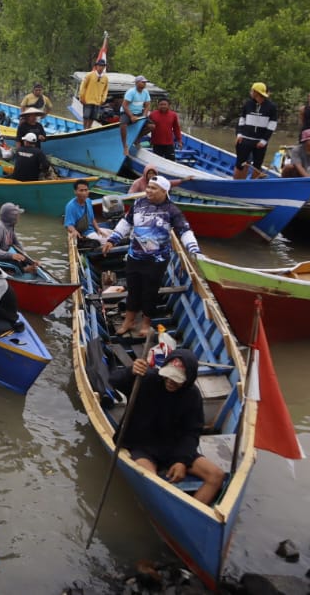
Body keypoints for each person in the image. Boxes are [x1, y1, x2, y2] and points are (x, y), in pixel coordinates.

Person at [110, 348, 225, 505]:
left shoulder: (192, 395)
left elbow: (192, 432)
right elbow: (113, 380)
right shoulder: (147, 379)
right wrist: (131, 371)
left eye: (177, 379)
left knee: (216, 475)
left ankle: (192, 516)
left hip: (174, 446)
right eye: (168, 376)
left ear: (187, 380)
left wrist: (181, 461)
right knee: (151, 481)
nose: (170, 381)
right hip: (143, 444)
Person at [102, 177, 200, 338]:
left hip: (157, 260)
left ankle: (146, 323)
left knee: (150, 291)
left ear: (164, 191)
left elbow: (185, 231)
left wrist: (194, 250)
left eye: (154, 188)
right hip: (135, 256)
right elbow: (126, 222)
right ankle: (129, 321)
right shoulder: (139, 204)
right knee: (133, 289)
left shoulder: (172, 210)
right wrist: (113, 239)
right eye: (148, 187)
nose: (148, 190)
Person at [234, 82, 278, 179]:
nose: (251, 92)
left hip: (259, 142)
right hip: (245, 139)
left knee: (257, 165)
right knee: (241, 164)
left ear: (256, 92)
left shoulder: (271, 107)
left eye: (252, 90)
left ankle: (253, 185)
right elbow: (242, 119)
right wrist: (239, 134)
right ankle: (238, 184)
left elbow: (272, 124)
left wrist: (264, 140)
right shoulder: (248, 104)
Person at [0, 202, 38, 274]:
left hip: (0, 256)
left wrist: (31, 261)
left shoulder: (10, 227)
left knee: (22, 260)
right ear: (12, 216)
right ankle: (25, 270)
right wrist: (12, 255)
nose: (19, 217)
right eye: (17, 215)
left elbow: (18, 246)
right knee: (16, 264)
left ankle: (22, 269)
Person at [65, 179, 112, 247]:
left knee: (114, 234)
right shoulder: (70, 206)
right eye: (81, 190)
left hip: (93, 229)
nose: (84, 193)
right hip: (85, 234)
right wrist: (74, 231)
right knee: (107, 241)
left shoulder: (88, 201)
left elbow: (92, 218)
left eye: (86, 190)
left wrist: (98, 229)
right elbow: (69, 225)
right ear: (75, 192)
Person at [120, 75, 152, 155]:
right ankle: (125, 146)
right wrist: (131, 116)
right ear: (137, 83)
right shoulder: (131, 92)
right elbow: (125, 105)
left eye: (145, 83)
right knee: (123, 125)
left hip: (139, 112)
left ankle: (137, 139)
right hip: (127, 111)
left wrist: (144, 116)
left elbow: (147, 105)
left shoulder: (145, 92)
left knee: (152, 126)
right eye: (143, 82)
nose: (144, 84)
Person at [146, 96, 182, 161]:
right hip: (156, 143)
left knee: (171, 161)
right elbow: (146, 126)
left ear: (168, 105)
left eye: (165, 104)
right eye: (161, 104)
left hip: (169, 143)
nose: (163, 106)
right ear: (158, 105)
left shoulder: (173, 115)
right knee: (156, 161)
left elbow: (176, 128)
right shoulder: (153, 114)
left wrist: (179, 140)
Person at [78, 59, 110, 129]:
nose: (101, 67)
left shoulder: (105, 78)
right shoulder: (89, 75)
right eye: (99, 66)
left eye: (102, 66)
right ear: (96, 66)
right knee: (86, 116)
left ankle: (88, 129)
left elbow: (105, 90)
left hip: (97, 101)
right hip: (87, 99)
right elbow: (83, 86)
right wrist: (81, 97)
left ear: (104, 67)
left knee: (93, 117)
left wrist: (103, 99)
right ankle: (84, 129)